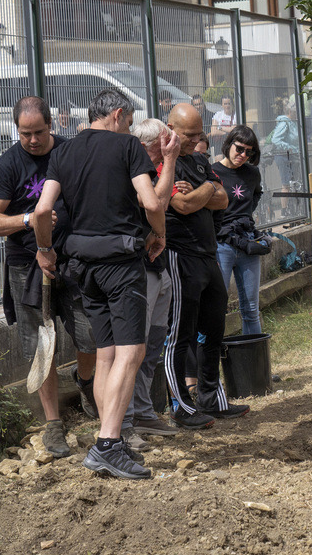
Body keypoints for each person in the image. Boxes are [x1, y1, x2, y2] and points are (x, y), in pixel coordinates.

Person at [33, 88, 166, 479]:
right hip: (121, 264)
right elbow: (152, 202)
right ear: (119, 114)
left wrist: (45, 249)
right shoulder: (128, 148)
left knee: (106, 355)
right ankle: (108, 444)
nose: (127, 126)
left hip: (82, 266)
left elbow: (43, 209)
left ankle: (112, 441)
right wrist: (159, 234)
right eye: (128, 120)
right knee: (131, 353)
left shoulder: (63, 152)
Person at [0, 97, 97, 458]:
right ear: (16, 130)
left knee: (90, 335)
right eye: (25, 134)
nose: (33, 140)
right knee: (43, 344)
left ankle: (85, 382)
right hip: (27, 265)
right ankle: (53, 424)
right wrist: (29, 219)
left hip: (72, 259)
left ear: (51, 125)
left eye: (39, 132)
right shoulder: (8, 165)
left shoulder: (70, 153)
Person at [163, 103, 248, 430]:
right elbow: (181, 205)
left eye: (199, 133)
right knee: (179, 334)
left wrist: (205, 189)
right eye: (189, 134)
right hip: (180, 256)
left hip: (209, 254)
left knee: (214, 330)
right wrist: (206, 191)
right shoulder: (159, 164)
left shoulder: (198, 161)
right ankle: (181, 406)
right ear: (170, 128)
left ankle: (212, 397)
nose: (197, 140)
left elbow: (223, 198)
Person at [122, 118, 182, 451]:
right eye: (165, 140)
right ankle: (125, 420)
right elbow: (156, 205)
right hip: (139, 269)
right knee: (134, 347)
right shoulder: (136, 172)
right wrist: (171, 163)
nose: (172, 143)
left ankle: (144, 411)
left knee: (153, 345)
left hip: (159, 268)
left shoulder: (155, 171)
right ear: (148, 144)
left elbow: (165, 200)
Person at [212, 125, 264, 335]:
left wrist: (245, 216)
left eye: (249, 152)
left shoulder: (252, 174)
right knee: (216, 307)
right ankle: (212, 360)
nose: (243, 155)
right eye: (239, 149)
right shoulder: (213, 172)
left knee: (251, 308)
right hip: (221, 244)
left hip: (247, 243)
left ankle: (254, 362)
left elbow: (257, 194)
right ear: (229, 143)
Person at [268, 95, 301, 216]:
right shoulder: (284, 123)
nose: (297, 114)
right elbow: (276, 140)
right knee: (286, 184)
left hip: (293, 156)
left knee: (294, 183)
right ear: (290, 112)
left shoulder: (293, 122)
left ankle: (294, 209)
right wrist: (290, 148)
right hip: (283, 156)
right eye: (296, 112)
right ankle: (283, 211)